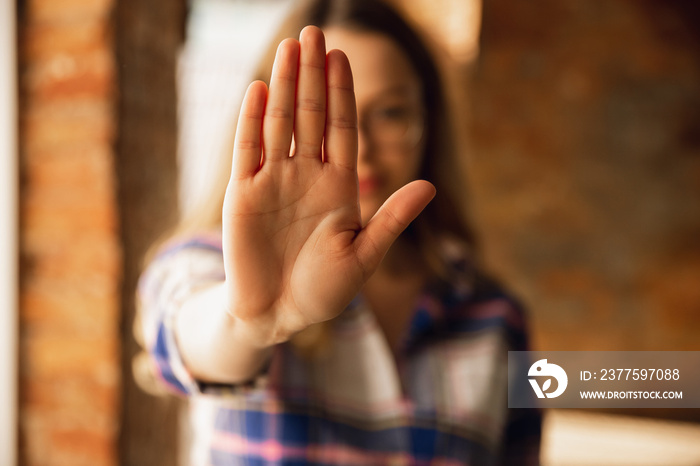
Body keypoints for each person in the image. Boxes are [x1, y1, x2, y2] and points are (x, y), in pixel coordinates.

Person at [136, 0, 541, 464]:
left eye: (390, 113)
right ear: (280, 120)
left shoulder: (493, 314)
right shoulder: (215, 264)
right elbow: (185, 335)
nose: (363, 148)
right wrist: (247, 322)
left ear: (429, 124)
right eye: (332, 115)